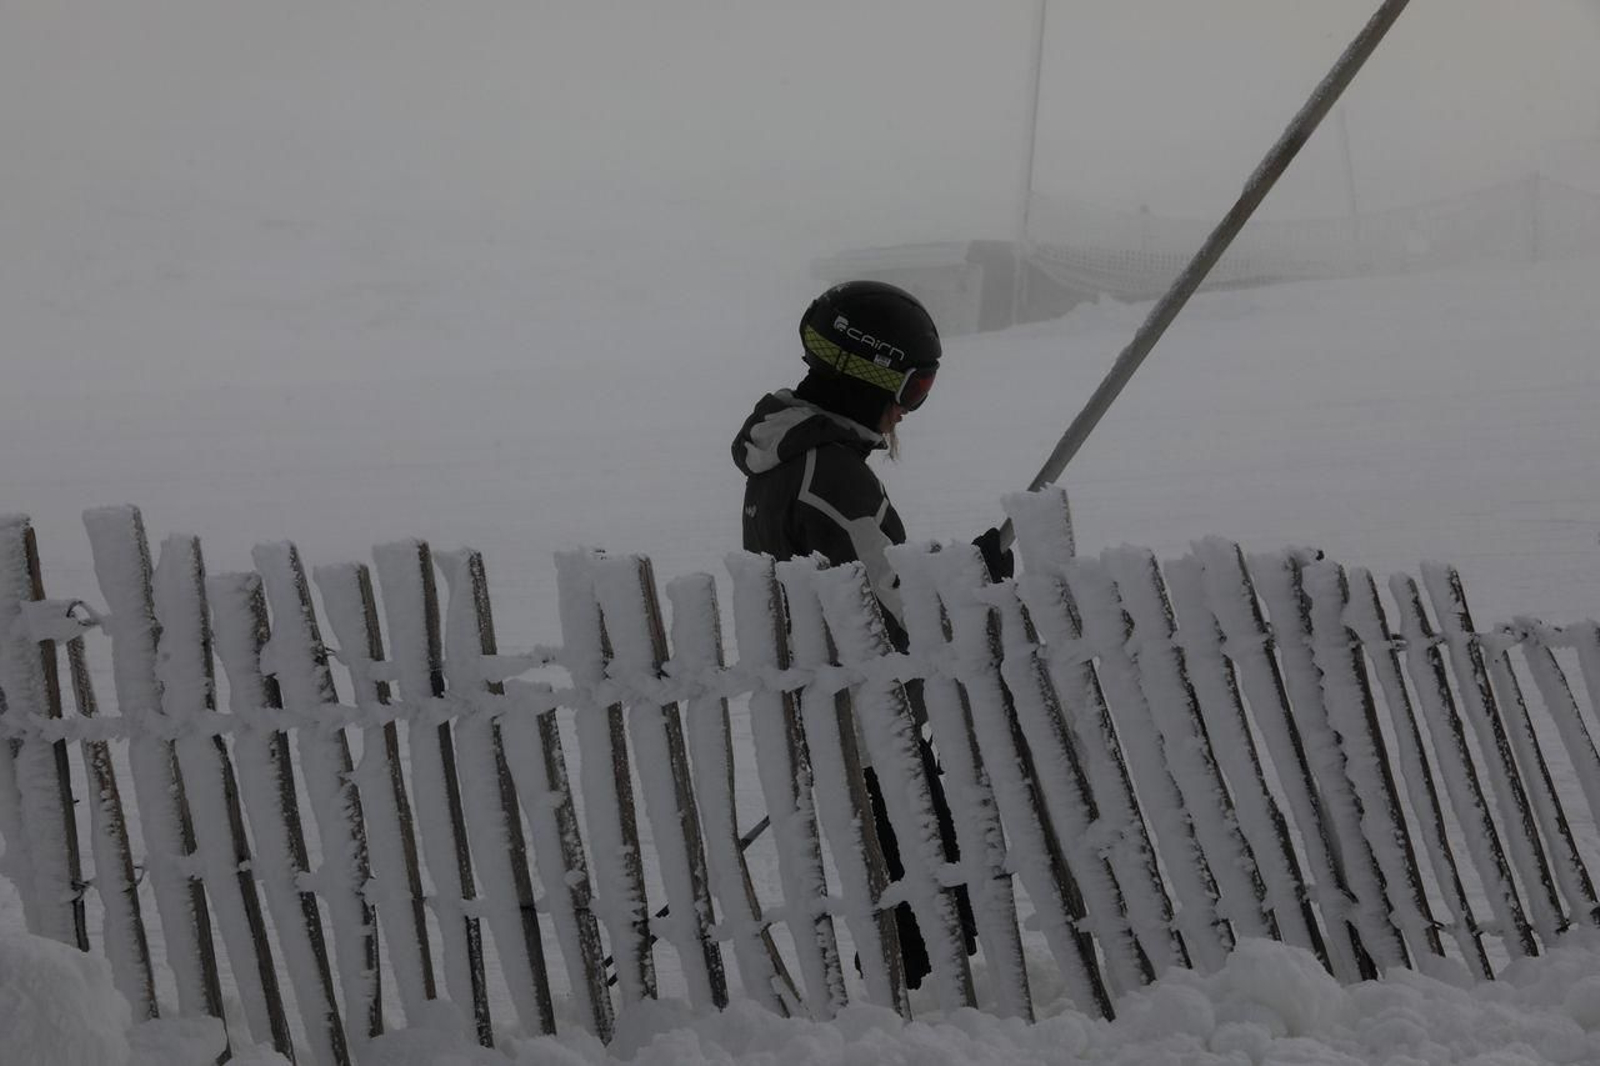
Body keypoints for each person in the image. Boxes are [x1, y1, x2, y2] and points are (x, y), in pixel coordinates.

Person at [731, 279, 1009, 988]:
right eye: (912, 390)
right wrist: (978, 578)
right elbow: (899, 602)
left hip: (838, 713)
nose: (909, 412)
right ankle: (908, 1023)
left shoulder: (787, 459)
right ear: (870, 375)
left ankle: (906, 1008)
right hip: (871, 718)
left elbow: (861, 572)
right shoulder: (835, 473)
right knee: (933, 906)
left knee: (910, 893)